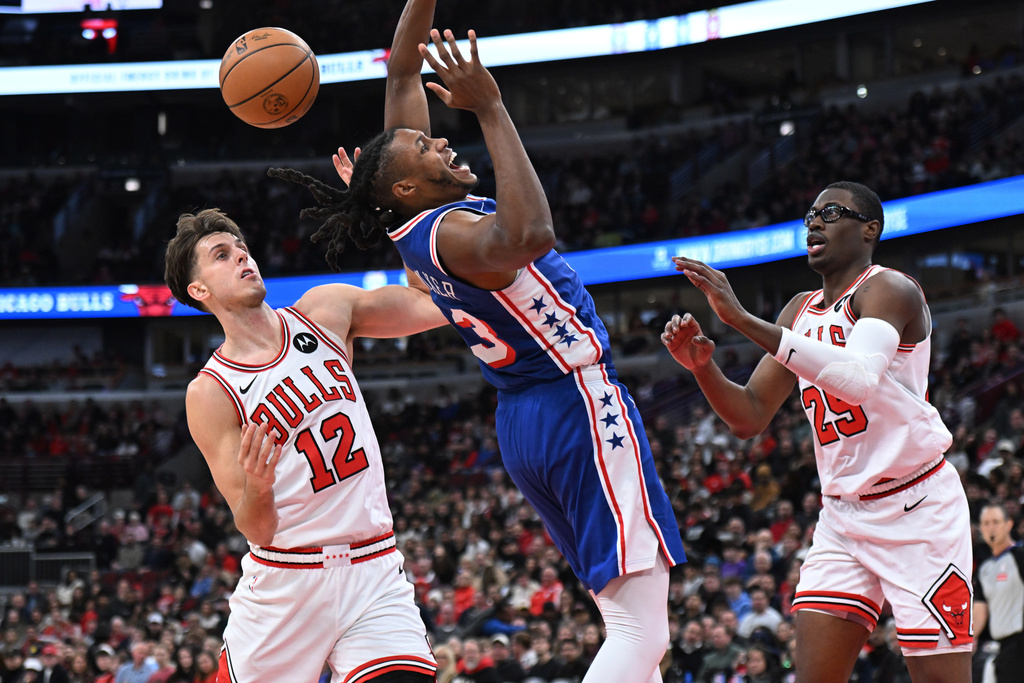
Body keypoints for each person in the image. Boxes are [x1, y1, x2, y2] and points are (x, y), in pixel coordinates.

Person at [269, 2, 686, 681]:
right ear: (406, 186)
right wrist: (491, 108)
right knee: (643, 630)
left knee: (625, 622)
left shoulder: (416, 231)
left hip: (528, 419)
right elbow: (530, 237)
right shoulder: (453, 234)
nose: (440, 142)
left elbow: (403, 66)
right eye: (427, 149)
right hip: (575, 405)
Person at [661, 180, 973, 683]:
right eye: (810, 214)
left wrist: (740, 319)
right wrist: (703, 369)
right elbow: (749, 415)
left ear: (869, 228)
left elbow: (857, 379)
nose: (815, 222)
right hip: (843, 517)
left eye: (831, 212)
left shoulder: (889, 288)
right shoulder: (798, 311)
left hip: (917, 509)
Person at [163, 208, 445, 682]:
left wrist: (402, 217)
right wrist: (258, 483)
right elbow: (256, 525)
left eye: (242, 248)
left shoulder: (324, 311)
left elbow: (432, 302)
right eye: (221, 255)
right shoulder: (211, 393)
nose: (242, 258)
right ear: (199, 290)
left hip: (372, 568)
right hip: (285, 584)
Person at [973, 502, 1024, 682]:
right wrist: (972, 636)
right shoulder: (985, 568)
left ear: (1008, 524)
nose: (990, 528)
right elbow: (980, 608)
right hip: (1003, 648)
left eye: (995, 521)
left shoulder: (1019, 556)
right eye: (985, 523)